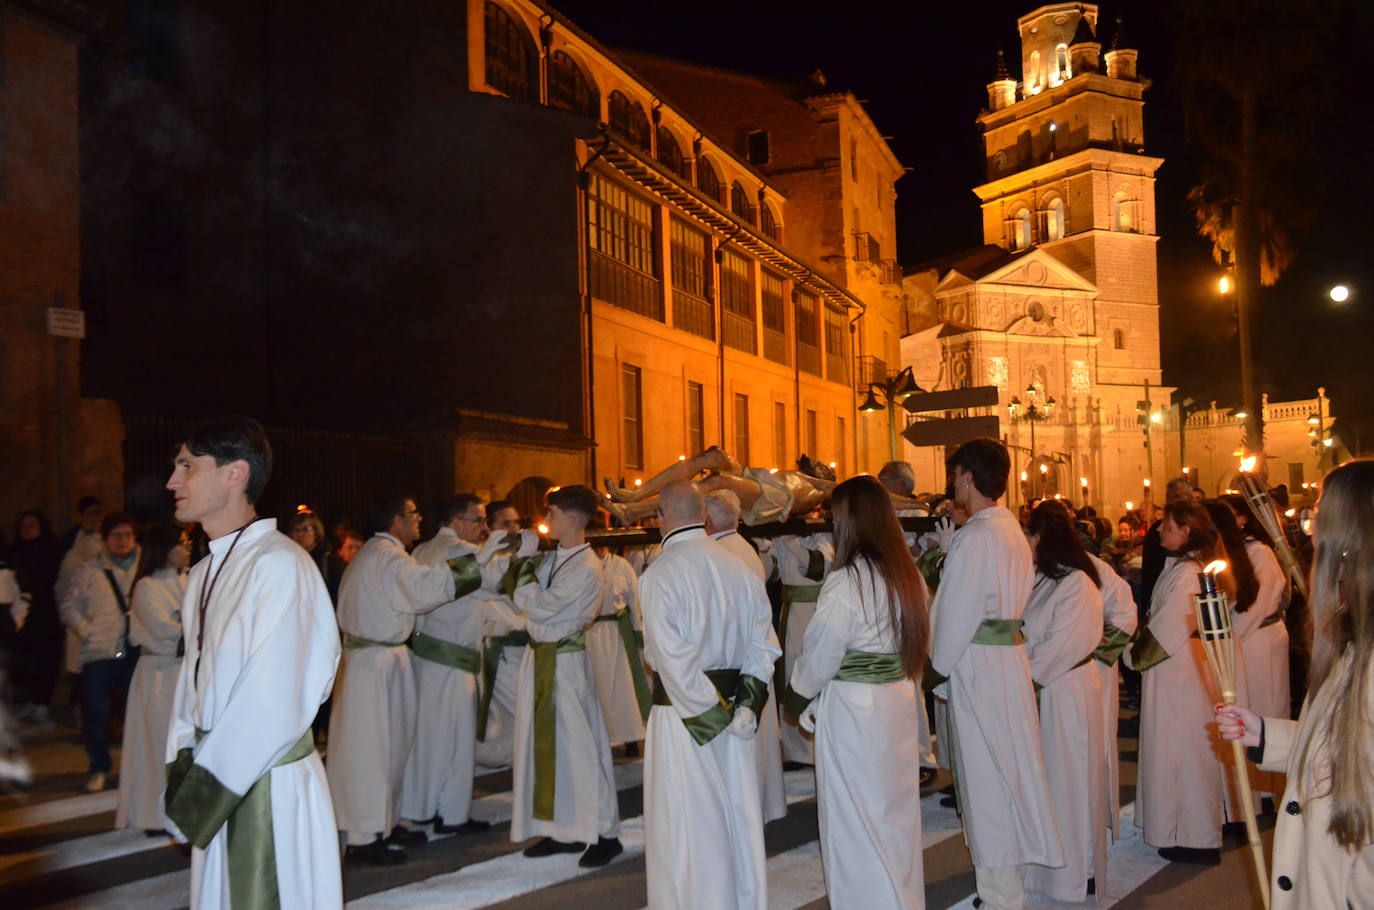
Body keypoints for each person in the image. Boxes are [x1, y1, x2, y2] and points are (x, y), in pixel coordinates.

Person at [162, 416, 342, 908]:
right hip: (216, 777)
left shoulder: (280, 565)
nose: (172, 481)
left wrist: (203, 792)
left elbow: (275, 698)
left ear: (234, 474)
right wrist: (181, 762)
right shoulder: (203, 572)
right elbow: (193, 683)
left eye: (187, 467)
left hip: (266, 787)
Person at [1217, 458, 1374, 909]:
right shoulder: (1350, 636)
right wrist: (1266, 735)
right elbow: (1340, 746)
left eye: (1316, 516)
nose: (1308, 530)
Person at [784, 475, 929, 909]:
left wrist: (796, 698)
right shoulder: (907, 574)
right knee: (894, 814)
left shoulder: (848, 581)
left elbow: (821, 653)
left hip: (855, 712)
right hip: (896, 702)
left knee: (852, 817)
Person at [929, 438, 1061, 910]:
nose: (952, 484)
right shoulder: (1009, 530)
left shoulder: (979, 535)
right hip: (1007, 661)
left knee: (987, 779)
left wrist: (934, 667)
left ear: (967, 476)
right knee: (1009, 771)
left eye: (955, 475)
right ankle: (1009, 887)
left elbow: (957, 614)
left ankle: (1000, 895)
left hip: (980, 667)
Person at [641, 481, 780, 910]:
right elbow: (765, 644)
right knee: (737, 815)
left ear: (661, 518)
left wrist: (714, 716)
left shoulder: (660, 573)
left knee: (685, 823)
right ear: (703, 516)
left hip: (685, 720)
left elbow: (673, 660)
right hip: (737, 716)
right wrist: (745, 708)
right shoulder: (741, 564)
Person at [479, 485, 622, 867]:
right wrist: (510, 555)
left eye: (552, 515)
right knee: (544, 749)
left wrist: (522, 568)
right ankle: (563, 830)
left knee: (580, 749)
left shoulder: (587, 566)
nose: (545, 522)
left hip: (566, 665)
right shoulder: (556, 557)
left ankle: (605, 834)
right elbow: (509, 590)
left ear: (573, 520)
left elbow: (540, 607)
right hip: (539, 660)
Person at [329, 494, 464, 865]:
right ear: (395, 520)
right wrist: (475, 565)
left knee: (391, 746)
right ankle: (363, 837)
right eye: (412, 514)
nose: (419, 519)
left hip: (378, 660)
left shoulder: (378, 554)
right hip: (374, 664)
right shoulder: (386, 557)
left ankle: (383, 823)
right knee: (372, 749)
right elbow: (424, 590)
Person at [1126, 500, 1233, 865]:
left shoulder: (1189, 575)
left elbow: (1164, 631)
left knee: (1183, 756)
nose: (1159, 531)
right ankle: (1178, 829)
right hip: (1176, 672)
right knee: (1177, 753)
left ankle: (1195, 835)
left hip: (1180, 674)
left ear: (1187, 530)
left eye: (1166, 526)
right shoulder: (1183, 568)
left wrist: (1129, 655)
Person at [1021, 501, 1108, 902]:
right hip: (1046, 688)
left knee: (1070, 781)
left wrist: (1022, 678)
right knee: (1050, 781)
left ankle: (1076, 871)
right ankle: (1044, 868)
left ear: (1040, 538)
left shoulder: (1078, 585)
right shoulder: (1043, 579)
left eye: (1028, 534)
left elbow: (1058, 647)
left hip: (1066, 690)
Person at [398, 495, 495, 837]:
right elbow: (492, 587)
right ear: (457, 521)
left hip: (430, 657)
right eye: (478, 520)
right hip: (449, 659)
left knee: (434, 738)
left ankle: (440, 810)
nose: (484, 528)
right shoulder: (458, 553)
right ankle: (432, 812)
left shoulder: (422, 550)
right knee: (447, 742)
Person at [705, 489, 787, 823]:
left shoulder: (718, 554)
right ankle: (760, 804)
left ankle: (743, 812)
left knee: (740, 750)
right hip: (751, 658)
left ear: (706, 519)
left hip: (734, 662)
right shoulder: (743, 547)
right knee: (759, 744)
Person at [602, 446, 925, 526]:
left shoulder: (824, 490)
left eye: (821, 468)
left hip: (772, 499)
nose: (817, 465)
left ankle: (632, 511)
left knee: (718, 482)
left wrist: (914, 503)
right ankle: (634, 494)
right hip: (761, 480)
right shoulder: (804, 477)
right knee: (713, 456)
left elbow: (874, 494)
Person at [60, 512, 141, 792]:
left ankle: (136, 767)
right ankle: (98, 766)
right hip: (100, 651)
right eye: (116, 535)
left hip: (137, 649)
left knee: (137, 711)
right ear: (105, 539)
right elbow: (68, 606)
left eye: (127, 534)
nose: (122, 541)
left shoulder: (145, 565)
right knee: (96, 711)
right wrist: (88, 630)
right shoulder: (89, 570)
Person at [116, 522, 189, 833]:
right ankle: (152, 813)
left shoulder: (190, 581)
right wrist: (193, 627)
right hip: (158, 676)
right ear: (165, 548)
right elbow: (166, 632)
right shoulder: (146, 586)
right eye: (181, 543)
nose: (187, 549)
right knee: (157, 743)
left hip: (185, 673)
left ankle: (185, 810)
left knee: (185, 745)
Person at [1222, 491, 1292, 800]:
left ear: (1242, 517)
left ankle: (1265, 791)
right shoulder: (1232, 551)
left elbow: (1257, 604)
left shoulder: (1260, 552)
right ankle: (1244, 791)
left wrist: (1228, 640)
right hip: (1243, 640)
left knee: (1265, 703)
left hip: (1260, 639)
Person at [473, 500, 528, 770]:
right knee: (505, 713)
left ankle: (519, 760)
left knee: (523, 711)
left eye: (516, 522)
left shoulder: (523, 557)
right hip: (498, 648)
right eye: (506, 523)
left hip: (523, 649)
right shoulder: (482, 560)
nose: (513, 528)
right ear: (490, 528)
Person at [587, 532, 650, 750]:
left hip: (616, 634)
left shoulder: (621, 565)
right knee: (594, 688)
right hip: (588, 634)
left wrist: (638, 632)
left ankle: (630, 736)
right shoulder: (581, 565)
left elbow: (634, 598)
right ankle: (599, 739)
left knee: (621, 687)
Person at [9, 511, 64, 723]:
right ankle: (30, 702)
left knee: (46, 662)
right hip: (22, 619)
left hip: (47, 617)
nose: (27, 529)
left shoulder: (52, 551)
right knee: (25, 663)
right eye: (23, 525)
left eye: (32, 525)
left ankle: (43, 704)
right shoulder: (14, 552)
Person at [288, 510, 345, 605]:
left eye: (305, 529)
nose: (300, 534)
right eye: (296, 530)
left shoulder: (329, 558)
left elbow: (339, 590)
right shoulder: (290, 558)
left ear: (316, 532)